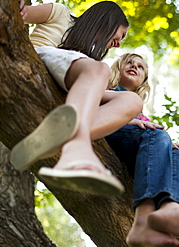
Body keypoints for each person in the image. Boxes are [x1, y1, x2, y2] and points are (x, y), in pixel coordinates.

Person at [13, 1, 143, 196]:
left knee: (132, 101)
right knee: (101, 69)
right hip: (36, 62)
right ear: (108, 20)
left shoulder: (88, 62)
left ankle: (50, 139)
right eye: (121, 35)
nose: (119, 43)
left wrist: (129, 120)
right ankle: (76, 147)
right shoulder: (60, 14)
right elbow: (17, 14)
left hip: (66, 86)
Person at [105, 53, 179, 246]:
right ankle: (147, 219)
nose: (134, 66)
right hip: (109, 130)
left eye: (140, 67)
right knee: (157, 134)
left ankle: (173, 209)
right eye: (129, 63)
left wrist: (165, 146)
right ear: (118, 68)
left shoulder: (141, 112)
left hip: (135, 147)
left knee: (178, 152)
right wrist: (133, 123)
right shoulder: (107, 89)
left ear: (144, 81)